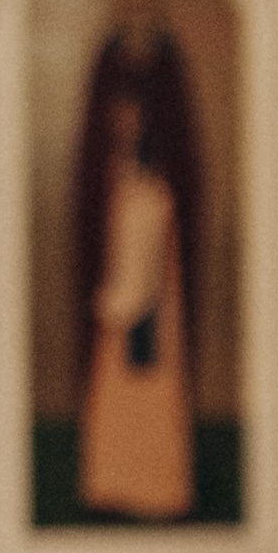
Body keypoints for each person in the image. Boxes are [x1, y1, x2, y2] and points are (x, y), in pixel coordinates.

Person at [77, 82, 194, 520]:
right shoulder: (131, 189)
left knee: (140, 405)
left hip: (139, 317)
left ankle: (149, 492)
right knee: (125, 408)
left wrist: (118, 305)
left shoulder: (147, 195)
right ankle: (122, 488)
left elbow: (143, 263)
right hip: (131, 311)